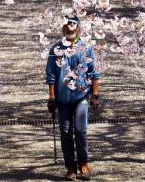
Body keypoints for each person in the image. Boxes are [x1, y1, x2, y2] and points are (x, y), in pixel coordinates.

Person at [46, 15, 101, 181]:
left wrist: (96, 95)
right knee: (65, 132)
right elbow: (51, 76)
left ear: (78, 28)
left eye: (73, 25)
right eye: (67, 25)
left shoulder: (86, 48)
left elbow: (94, 72)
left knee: (80, 131)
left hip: (81, 97)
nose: (69, 28)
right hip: (62, 100)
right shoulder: (56, 50)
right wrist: (51, 98)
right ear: (63, 29)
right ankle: (70, 166)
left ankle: (83, 163)